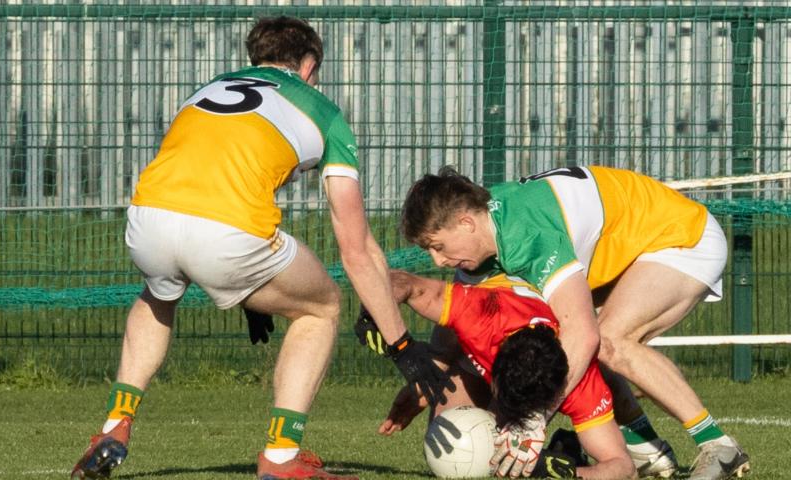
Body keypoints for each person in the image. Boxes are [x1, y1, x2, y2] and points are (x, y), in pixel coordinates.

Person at [70, 16, 450, 480]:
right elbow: (357, 249)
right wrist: (402, 344)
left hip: (148, 217)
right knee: (321, 307)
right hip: (227, 234)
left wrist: (252, 289)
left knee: (158, 295)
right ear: (309, 65)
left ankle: (114, 425)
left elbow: (223, 171)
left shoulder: (211, 87)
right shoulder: (324, 112)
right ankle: (281, 455)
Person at [397, 165, 751, 480]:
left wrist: (534, 419)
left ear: (465, 223)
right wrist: (420, 386)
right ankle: (647, 449)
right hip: (626, 251)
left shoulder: (528, 236)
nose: (437, 260)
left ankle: (718, 446)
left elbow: (584, 335)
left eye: (438, 246)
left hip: (680, 237)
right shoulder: (483, 242)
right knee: (576, 340)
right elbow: (456, 325)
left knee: (609, 340)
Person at [362, 270, 636, 479]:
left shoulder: (580, 381)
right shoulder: (483, 315)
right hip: (490, 314)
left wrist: (562, 471)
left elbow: (622, 466)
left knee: (487, 458)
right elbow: (401, 282)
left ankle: (565, 448)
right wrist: (376, 318)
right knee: (450, 444)